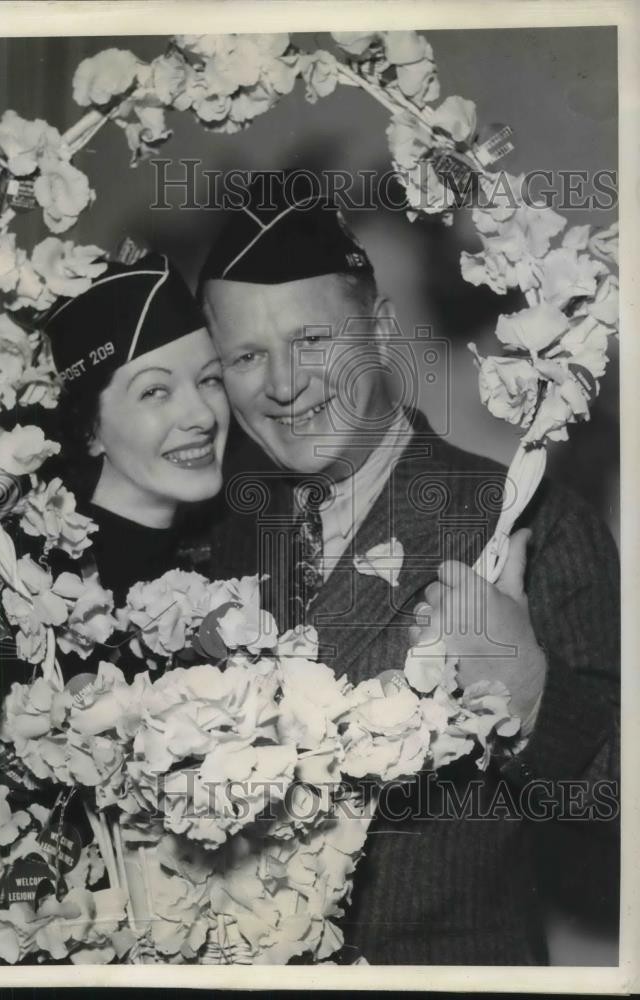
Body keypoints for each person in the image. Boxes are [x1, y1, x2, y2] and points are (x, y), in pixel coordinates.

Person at [197, 175, 620, 965]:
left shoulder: (523, 519)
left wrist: (531, 694)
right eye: (246, 355)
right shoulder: (213, 542)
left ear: (382, 329)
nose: (283, 385)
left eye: (314, 341)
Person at [0, 252, 230, 963]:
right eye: (154, 392)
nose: (201, 413)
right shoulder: (17, 565)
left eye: (209, 379)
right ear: (86, 430)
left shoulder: (237, 554)